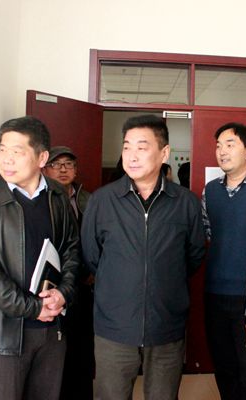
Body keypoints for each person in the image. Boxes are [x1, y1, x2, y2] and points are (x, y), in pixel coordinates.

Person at [81, 114, 206, 400]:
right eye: (127, 147)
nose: (132, 156)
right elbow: (91, 255)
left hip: (166, 325)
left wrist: (163, 278)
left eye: (142, 147)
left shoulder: (185, 202)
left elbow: (194, 254)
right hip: (114, 325)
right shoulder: (102, 200)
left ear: (164, 153)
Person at [0, 116, 79, 400]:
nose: (7, 159)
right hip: (4, 332)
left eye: (17, 151)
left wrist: (63, 293)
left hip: (51, 328)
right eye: (2, 149)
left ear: (42, 158)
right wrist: (32, 307)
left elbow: (71, 249)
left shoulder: (57, 196)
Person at [201, 122, 246, 400]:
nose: (222, 151)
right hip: (215, 293)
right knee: (224, 366)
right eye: (219, 146)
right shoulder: (210, 190)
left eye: (230, 144)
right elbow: (208, 233)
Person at [42, 146, 94, 400]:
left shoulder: (89, 200)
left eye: (69, 164)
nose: (63, 169)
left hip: (84, 283)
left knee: (81, 345)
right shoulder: (42, 199)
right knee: (56, 346)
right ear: (44, 168)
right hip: (52, 286)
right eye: (56, 164)